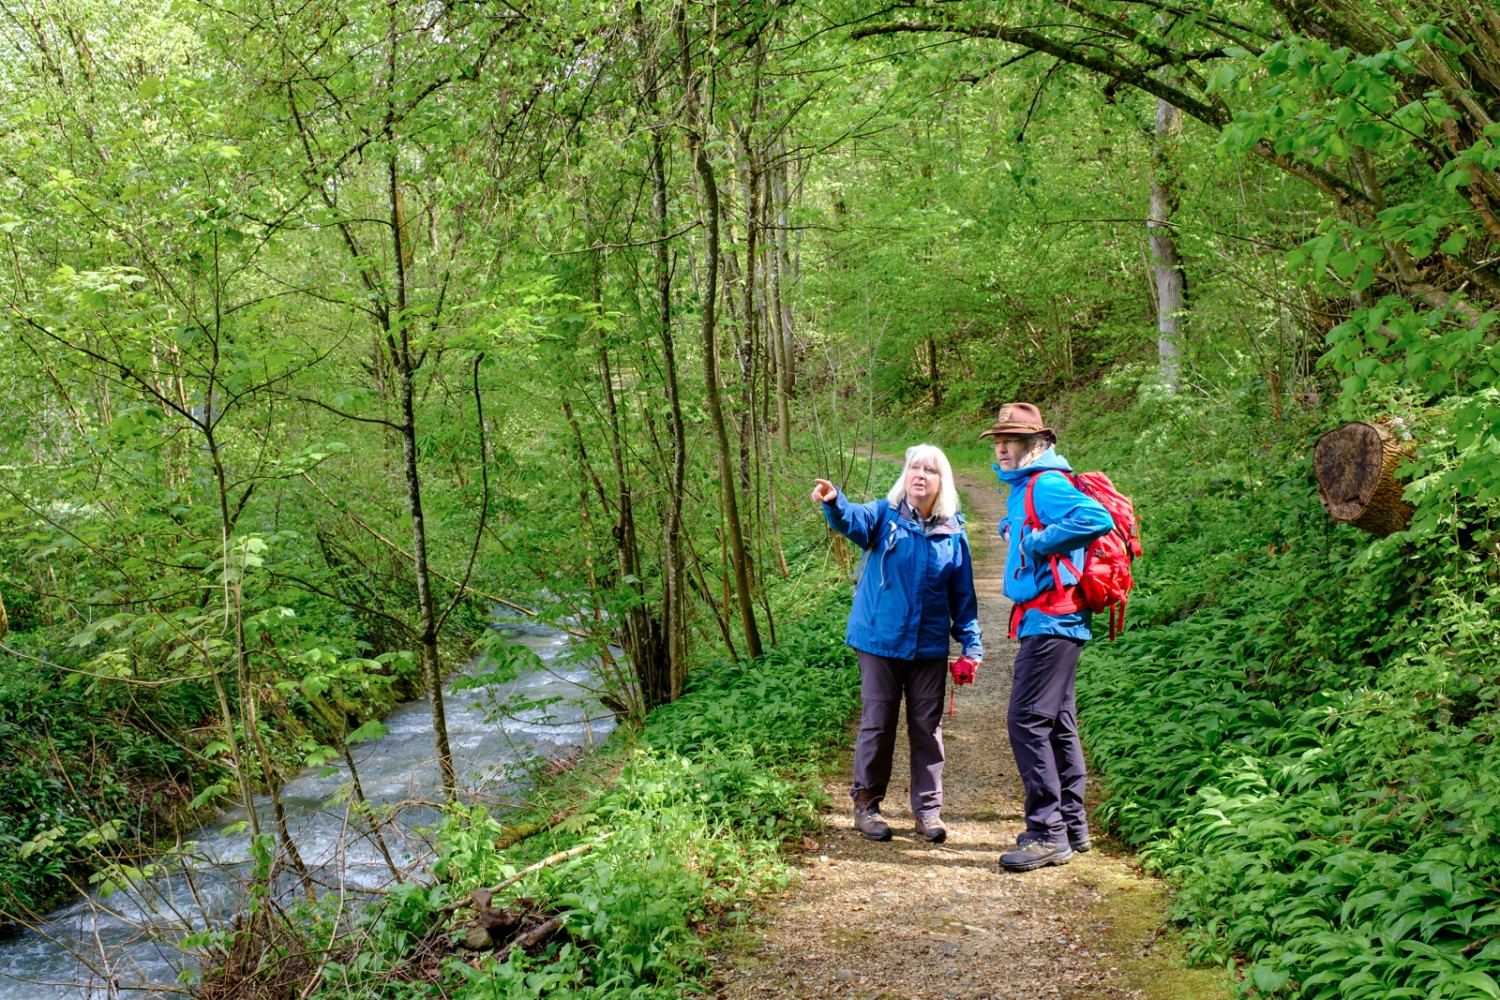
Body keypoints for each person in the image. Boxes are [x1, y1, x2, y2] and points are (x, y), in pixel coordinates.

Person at [811, 445, 983, 844]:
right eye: (914, 468)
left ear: (942, 482)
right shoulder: (883, 516)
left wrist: (971, 646)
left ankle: (927, 811)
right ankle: (866, 805)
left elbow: (963, 598)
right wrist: (835, 501)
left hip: (928, 647)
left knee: (927, 728)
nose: (920, 474)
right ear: (905, 476)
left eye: (930, 470)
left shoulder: (953, 532)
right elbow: (851, 521)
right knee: (878, 723)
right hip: (878, 640)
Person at [980, 403, 1114, 873]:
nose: (1001, 446)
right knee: (1057, 723)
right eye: (998, 439)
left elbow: (1096, 519)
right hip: (1054, 620)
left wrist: (1035, 542)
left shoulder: (1047, 483)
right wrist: (1014, 530)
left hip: (1052, 621)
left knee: (1026, 721)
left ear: (1035, 444)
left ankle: (1046, 832)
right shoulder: (1027, 488)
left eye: (1011, 440)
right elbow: (1034, 524)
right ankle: (1072, 826)